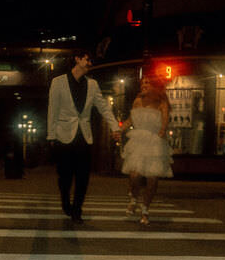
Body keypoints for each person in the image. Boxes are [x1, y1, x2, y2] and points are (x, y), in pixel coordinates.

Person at [46, 50, 121, 223]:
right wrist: (51, 135)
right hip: (63, 135)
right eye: (87, 59)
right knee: (64, 175)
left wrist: (114, 127)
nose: (89, 63)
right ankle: (65, 200)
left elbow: (103, 107)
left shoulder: (92, 84)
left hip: (84, 137)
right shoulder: (58, 82)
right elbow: (53, 109)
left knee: (83, 175)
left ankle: (77, 209)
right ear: (77, 59)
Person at [119, 77, 172, 225]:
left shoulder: (161, 102)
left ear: (155, 87)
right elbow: (130, 120)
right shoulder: (137, 101)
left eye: (147, 83)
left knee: (152, 178)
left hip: (154, 142)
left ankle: (145, 209)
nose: (144, 86)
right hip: (138, 141)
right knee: (134, 175)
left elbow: (165, 119)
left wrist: (162, 130)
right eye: (142, 83)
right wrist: (119, 129)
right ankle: (134, 199)